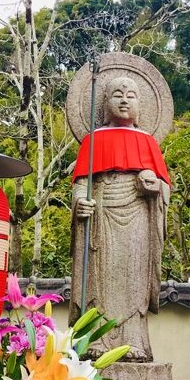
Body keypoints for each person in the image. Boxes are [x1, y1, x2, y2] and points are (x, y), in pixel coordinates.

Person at [70, 75, 170, 361]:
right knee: (98, 282)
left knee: (133, 279)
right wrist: (80, 202)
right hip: (101, 214)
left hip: (138, 216)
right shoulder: (93, 140)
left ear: (142, 104)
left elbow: (164, 186)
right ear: (104, 102)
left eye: (131, 95)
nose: (125, 100)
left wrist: (154, 186)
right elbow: (81, 183)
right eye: (117, 94)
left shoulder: (148, 142)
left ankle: (133, 341)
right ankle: (96, 341)